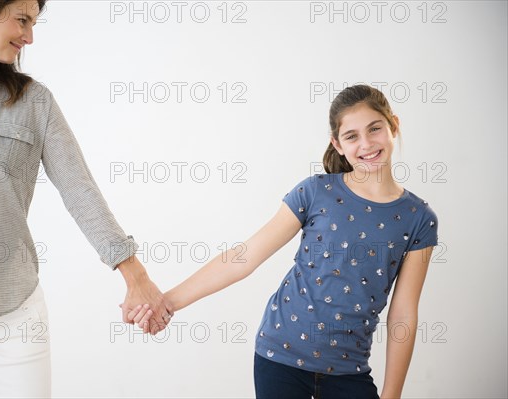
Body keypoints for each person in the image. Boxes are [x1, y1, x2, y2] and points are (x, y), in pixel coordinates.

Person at [0, 1, 172, 397]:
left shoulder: (34, 101)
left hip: (15, 314)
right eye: (22, 20)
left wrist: (137, 278)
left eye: (33, 24)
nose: (29, 37)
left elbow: (79, 189)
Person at [127, 85, 438, 398]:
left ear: (393, 126)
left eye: (375, 129)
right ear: (337, 144)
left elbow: (403, 311)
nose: (367, 144)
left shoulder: (419, 218)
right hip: (280, 357)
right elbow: (245, 256)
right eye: (352, 136)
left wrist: (392, 393)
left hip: (349, 370)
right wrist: (167, 302)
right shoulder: (316, 192)